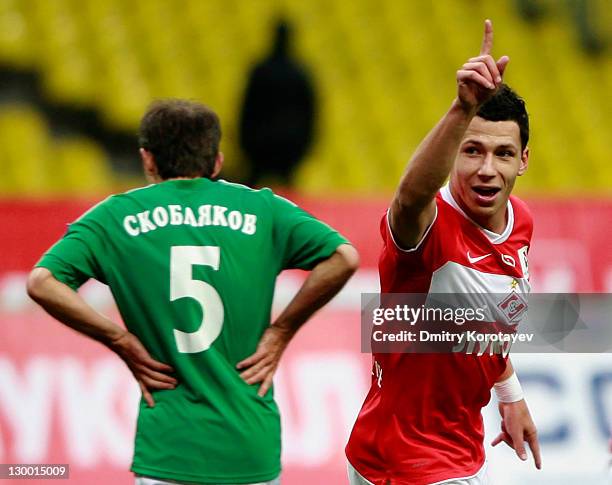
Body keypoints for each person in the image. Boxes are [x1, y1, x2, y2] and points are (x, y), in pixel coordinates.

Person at [26, 99, 359, 485]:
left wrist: (119, 339)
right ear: (216, 161)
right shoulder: (263, 209)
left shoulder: (115, 217)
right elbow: (344, 257)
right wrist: (282, 331)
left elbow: (42, 282)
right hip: (248, 444)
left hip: (168, 446)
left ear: (147, 159)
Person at [345, 20, 541, 485]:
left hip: (453, 447)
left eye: (503, 154)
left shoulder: (522, 221)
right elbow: (410, 196)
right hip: (408, 461)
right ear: (454, 152)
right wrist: (461, 108)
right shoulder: (429, 228)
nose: (487, 170)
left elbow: (488, 321)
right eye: (472, 150)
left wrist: (509, 393)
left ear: (524, 160)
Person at [239, 19, 316, 186]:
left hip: (260, 146)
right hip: (288, 147)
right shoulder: (299, 73)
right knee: (290, 200)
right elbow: (309, 114)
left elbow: (247, 110)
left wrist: (245, 143)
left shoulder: (261, 70)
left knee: (249, 197)